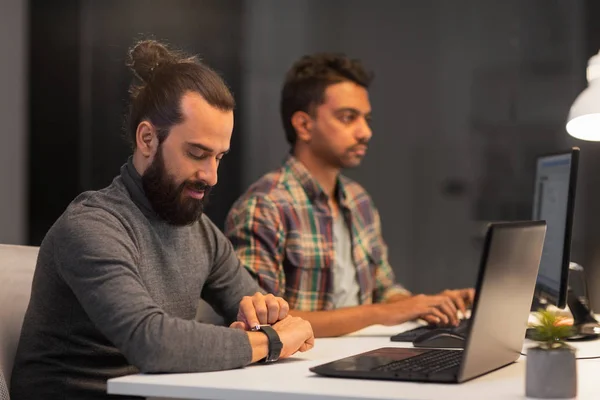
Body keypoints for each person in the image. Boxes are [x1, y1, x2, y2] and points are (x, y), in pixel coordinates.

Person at [10, 40, 314, 400]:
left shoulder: (200, 232)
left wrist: (267, 313)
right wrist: (270, 340)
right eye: (197, 153)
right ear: (147, 138)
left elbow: (253, 307)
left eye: (219, 157)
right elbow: (151, 343)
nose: (211, 175)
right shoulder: (91, 226)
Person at [225, 53, 474, 338]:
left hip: (361, 358)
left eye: (366, 119)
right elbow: (261, 322)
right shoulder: (264, 206)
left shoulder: (358, 200)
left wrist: (429, 305)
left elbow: (384, 291)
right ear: (304, 125)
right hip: (300, 371)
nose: (365, 132)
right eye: (348, 118)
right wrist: (384, 313)